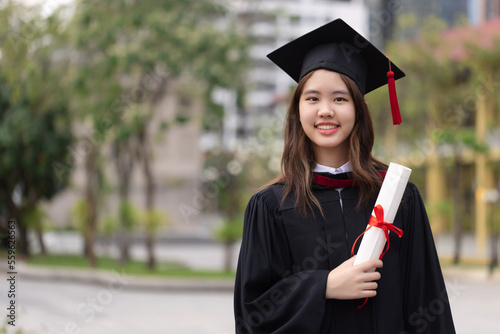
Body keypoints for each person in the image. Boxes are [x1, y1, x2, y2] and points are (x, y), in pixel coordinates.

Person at [233, 19, 456, 333]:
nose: (325, 110)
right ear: (297, 111)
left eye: (339, 98)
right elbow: (252, 313)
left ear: (360, 109)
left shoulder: (399, 197)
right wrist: (323, 285)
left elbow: (427, 301)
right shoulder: (271, 206)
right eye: (312, 99)